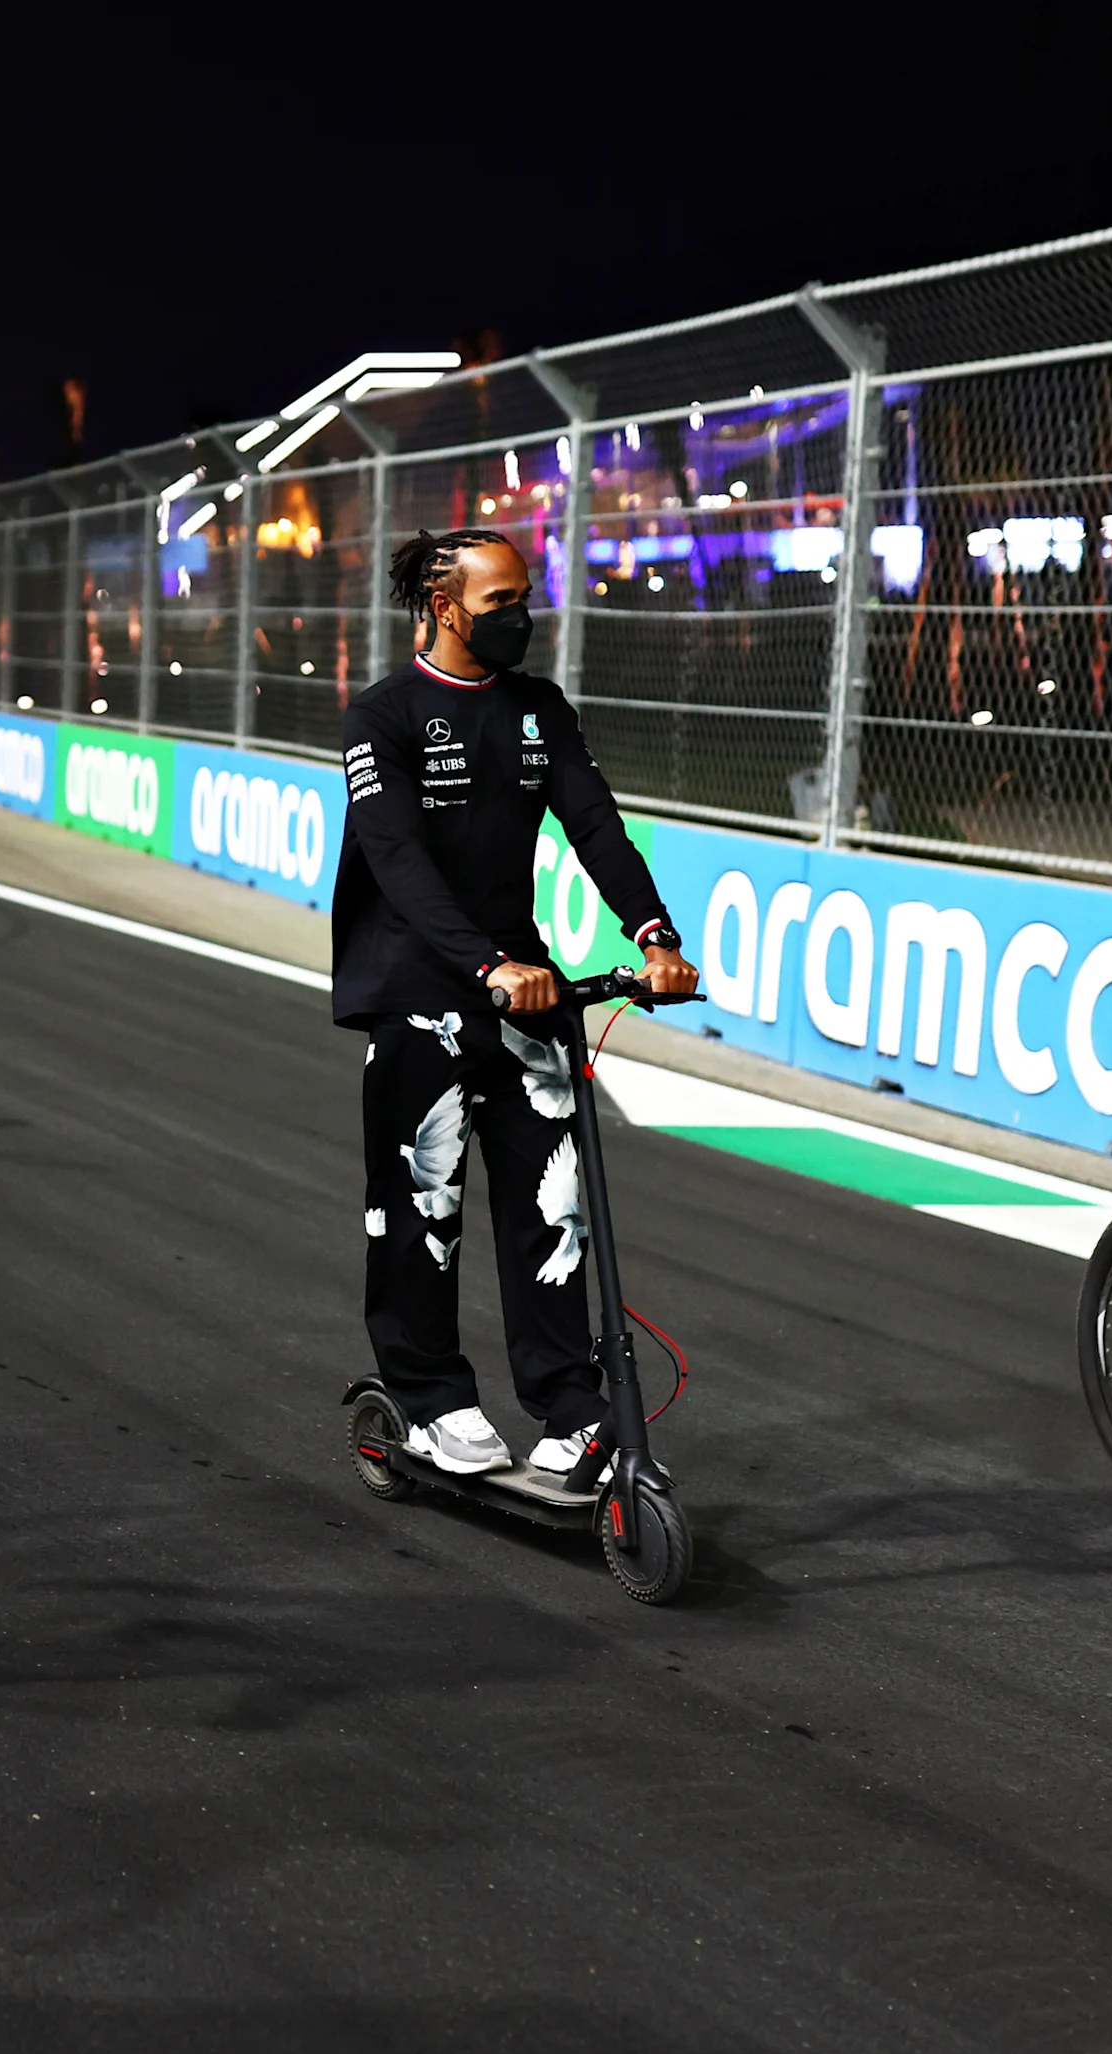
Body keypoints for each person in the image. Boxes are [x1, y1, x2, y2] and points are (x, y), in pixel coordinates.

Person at [333, 528, 697, 1481]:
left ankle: (570, 1406)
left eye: (525, 597)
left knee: (555, 1204)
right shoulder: (383, 717)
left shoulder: (539, 710)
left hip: (522, 990)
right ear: (444, 607)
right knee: (424, 1206)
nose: (522, 616)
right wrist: (485, 960)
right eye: (501, 601)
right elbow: (396, 860)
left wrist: (654, 935)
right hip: (418, 989)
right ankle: (429, 1399)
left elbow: (595, 826)